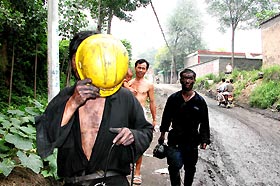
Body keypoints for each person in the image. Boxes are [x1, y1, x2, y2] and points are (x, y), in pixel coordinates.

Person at [35, 31, 153, 186]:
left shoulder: (124, 97)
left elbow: (146, 131)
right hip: (74, 182)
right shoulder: (65, 97)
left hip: (113, 181)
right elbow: (47, 137)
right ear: (74, 61)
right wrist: (72, 103)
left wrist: (133, 135)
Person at [158, 68, 210, 186]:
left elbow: (204, 122)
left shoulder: (200, 101)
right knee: (174, 167)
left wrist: (204, 140)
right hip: (175, 140)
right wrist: (162, 135)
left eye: (190, 78)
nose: (187, 81)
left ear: (194, 80)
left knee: (190, 168)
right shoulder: (173, 99)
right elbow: (166, 117)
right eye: (185, 78)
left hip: (192, 142)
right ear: (180, 80)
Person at [127, 59, 156, 185]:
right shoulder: (128, 83)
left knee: (139, 143)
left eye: (143, 68)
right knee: (126, 141)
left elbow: (152, 102)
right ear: (135, 68)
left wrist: (155, 119)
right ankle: (127, 167)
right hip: (127, 115)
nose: (140, 70)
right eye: (139, 67)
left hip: (141, 116)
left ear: (146, 70)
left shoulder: (149, 85)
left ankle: (137, 171)